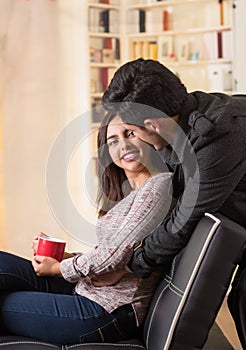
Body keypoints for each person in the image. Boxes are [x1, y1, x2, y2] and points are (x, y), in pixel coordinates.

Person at [99, 58, 246, 348]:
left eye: (131, 131)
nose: (131, 140)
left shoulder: (215, 138)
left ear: (151, 124)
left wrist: (129, 265)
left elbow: (182, 221)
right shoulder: (182, 121)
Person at [0, 111, 174, 345]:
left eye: (129, 133)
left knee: (4, 305)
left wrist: (60, 268)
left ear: (145, 135)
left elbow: (114, 255)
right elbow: (113, 253)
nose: (123, 144)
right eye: (113, 141)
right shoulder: (132, 194)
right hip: (87, 289)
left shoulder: (159, 186)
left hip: (108, 310)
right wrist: (67, 257)